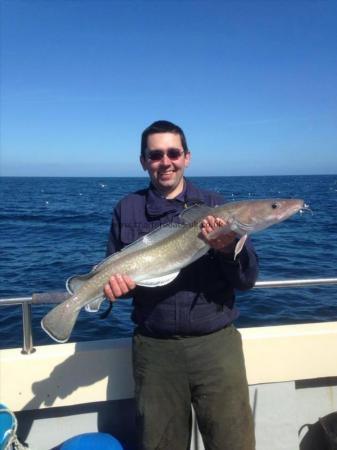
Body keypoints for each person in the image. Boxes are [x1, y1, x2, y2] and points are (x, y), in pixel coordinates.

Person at [104, 120, 259, 450]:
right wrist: (116, 289)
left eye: (173, 152)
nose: (166, 161)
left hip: (216, 348)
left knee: (234, 443)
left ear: (186, 157)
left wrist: (226, 251)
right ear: (144, 161)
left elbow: (246, 280)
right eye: (156, 154)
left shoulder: (217, 208)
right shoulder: (126, 209)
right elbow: (122, 277)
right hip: (155, 351)